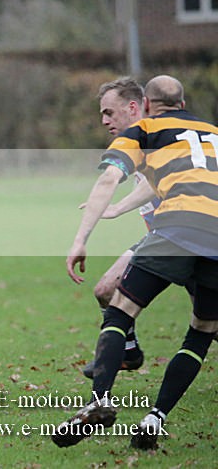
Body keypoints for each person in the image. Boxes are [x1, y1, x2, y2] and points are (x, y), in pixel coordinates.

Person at [53, 75, 218, 450]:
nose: (105, 121)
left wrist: (81, 239)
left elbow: (109, 177)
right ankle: (154, 417)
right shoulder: (211, 132)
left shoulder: (145, 130)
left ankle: (99, 400)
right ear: (183, 101)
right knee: (202, 331)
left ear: (143, 105)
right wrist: (120, 210)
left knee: (121, 308)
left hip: (176, 230)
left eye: (108, 113)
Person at [79, 77, 152, 379]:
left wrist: (118, 207)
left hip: (191, 238)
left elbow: (154, 183)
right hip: (158, 236)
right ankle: (129, 352)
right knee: (106, 290)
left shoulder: (159, 135)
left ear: (133, 107)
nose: (104, 120)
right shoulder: (137, 140)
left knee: (209, 325)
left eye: (109, 112)